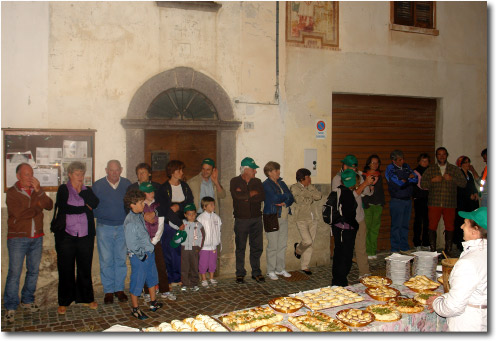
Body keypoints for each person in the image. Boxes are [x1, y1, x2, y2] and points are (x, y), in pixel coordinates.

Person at [3, 163, 53, 323]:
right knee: (15, 273)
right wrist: (38, 206)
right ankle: (10, 306)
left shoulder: (36, 190)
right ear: (18, 176)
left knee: (33, 271)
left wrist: (39, 192)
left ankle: (27, 301)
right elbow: (20, 214)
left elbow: (50, 205)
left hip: (36, 237)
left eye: (31, 174)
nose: (30, 177)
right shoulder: (12, 193)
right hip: (18, 238)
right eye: (26, 174)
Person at [426, 207, 487, 331]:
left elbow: (453, 307)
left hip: (469, 324)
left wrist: (436, 302)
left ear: (475, 231)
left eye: (465, 223)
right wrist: (444, 297)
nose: (461, 227)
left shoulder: (468, 263)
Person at [54, 161, 100, 315]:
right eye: (77, 174)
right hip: (66, 235)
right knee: (66, 268)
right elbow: (64, 207)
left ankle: (86, 298)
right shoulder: (63, 189)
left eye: (82, 173)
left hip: (85, 235)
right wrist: (83, 208)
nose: (80, 177)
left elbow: (95, 203)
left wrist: (83, 193)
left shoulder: (87, 190)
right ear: (69, 174)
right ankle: (64, 301)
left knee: (84, 267)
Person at [92, 160, 132, 304]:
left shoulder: (127, 184)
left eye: (117, 170)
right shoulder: (98, 186)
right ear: (106, 170)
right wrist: (102, 215)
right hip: (104, 227)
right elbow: (92, 206)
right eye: (111, 170)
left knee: (121, 259)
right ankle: (108, 291)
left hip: (122, 227)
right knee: (106, 260)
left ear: (121, 170)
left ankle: (119, 289)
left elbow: (132, 204)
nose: (114, 173)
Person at [123, 189, 163, 320]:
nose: (143, 205)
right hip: (139, 256)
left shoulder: (139, 215)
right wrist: (142, 255)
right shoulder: (130, 221)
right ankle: (135, 309)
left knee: (152, 277)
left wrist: (149, 249)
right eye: (140, 203)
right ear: (132, 205)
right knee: (137, 281)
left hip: (148, 252)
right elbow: (131, 243)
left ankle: (153, 303)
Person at [331, 155, 373, 277]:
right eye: (351, 168)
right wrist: (364, 184)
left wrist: (369, 184)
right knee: (344, 251)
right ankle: (341, 278)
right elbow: (344, 199)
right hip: (345, 222)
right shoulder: (337, 179)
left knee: (361, 248)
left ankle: (364, 273)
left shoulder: (358, 175)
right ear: (344, 166)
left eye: (355, 168)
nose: (354, 170)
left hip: (359, 217)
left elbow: (367, 193)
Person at [421, 147, 467, 255]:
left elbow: (463, 183)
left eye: (443, 154)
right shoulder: (431, 169)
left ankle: (448, 250)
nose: (441, 156)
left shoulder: (454, 169)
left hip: (449, 203)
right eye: (439, 154)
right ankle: (433, 250)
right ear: (436, 156)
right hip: (434, 202)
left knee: (450, 226)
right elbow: (423, 184)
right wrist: (432, 180)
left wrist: (452, 179)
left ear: (447, 155)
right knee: (432, 226)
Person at [155, 160, 194, 286]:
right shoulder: (163, 188)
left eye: (182, 170)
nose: (182, 173)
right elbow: (166, 209)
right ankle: (171, 278)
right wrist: (178, 223)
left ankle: (180, 276)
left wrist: (179, 206)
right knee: (170, 251)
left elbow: (189, 203)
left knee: (181, 252)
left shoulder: (185, 186)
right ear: (172, 172)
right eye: (179, 170)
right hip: (170, 224)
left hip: (183, 221)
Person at [230, 157, 266, 284]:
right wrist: (251, 193)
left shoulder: (258, 181)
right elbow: (236, 196)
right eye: (253, 169)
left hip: (256, 219)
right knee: (240, 247)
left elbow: (262, 197)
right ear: (246, 170)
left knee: (257, 247)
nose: (255, 171)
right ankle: (240, 273)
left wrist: (245, 196)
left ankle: (256, 272)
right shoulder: (234, 181)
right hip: (241, 220)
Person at [139, 182, 176, 301]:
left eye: (152, 191)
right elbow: (139, 225)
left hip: (155, 241)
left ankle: (164, 289)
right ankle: (147, 292)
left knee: (160, 265)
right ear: (142, 194)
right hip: (143, 243)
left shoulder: (158, 206)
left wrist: (154, 241)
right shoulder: (139, 207)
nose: (152, 194)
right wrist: (145, 241)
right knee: (145, 266)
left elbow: (160, 225)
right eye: (149, 192)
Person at [262, 161, 294, 280]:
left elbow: (291, 197)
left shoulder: (281, 182)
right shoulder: (266, 184)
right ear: (269, 172)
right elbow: (273, 198)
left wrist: (285, 201)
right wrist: (286, 196)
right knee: (273, 245)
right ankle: (270, 270)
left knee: (282, 245)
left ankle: (280, 268)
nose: (278, 172)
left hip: (284, 216)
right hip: (272, 216)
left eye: (278, 170)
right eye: (276, 170)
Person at [385, 150, 418, 254]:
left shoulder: (406, 166)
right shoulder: (390, 168)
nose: (402, 161)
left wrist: (405, 179)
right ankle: (395, 248)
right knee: (396, 225)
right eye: (399, 159)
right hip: (397, 200)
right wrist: (408, 178)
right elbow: (397, 182)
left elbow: (415, 179)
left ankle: (404, 246)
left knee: (405, 225)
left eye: (403, 159)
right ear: (394, 160)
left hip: (407, 200)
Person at [331, 169, 359, 287]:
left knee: (338, 253)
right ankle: (341, 282)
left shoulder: (337, 190)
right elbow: (349, 214)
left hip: (337, 227)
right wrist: (355, 225)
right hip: (345, 229)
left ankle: (337, 280)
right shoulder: (347, 194)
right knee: (345, 256)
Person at [291, 168, 322, 275]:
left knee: (311, 243)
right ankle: (298, 250)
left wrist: (307, 194)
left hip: (313, 218)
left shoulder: (311, 186)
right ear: (302, 178)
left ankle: (305, 266)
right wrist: (310, 196)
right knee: (307, 241)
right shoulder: (294, 187)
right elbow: (299, 200)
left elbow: (319, 196)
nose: (310, 179)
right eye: (308, 177)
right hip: (301, 218)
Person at [169, 204, 205, 292]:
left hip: (194, 248)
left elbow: (202, 237)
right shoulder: (183, 224)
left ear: (196, 214)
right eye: (189, 214)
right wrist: (171, 216)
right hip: (184, 248)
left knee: (194, 266)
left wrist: (199, 247)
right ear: (185, 215)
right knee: (184, 267)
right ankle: (185, 283)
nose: (191, 216)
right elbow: (173, 225)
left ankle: (194, 283)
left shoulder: (199, 225)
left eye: (193, 214)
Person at [453, 156, 479, 251]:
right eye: (465, 162)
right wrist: (468, 195)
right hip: (462, 202)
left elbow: (472, 186)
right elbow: (459, 188)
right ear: (461, 164)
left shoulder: (469, 174)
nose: (468, 164)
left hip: (470, 203)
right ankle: (460, 244)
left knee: (471, 222)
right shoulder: (458, 173)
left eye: (468, 162)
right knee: (461, 222)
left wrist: (475, 193)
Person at [362, 155, 385, 259]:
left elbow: (380, 191)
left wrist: (382, 203)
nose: (375, 165)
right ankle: (367, 251)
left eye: (377, 163)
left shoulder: (379, 176)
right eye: (373, 163)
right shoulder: (363, 176)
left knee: (375, 229)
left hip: (378, 205)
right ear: (368, 163)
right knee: (367, 229)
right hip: (368, 205)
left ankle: (373, 251)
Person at [197, 196, 222, 287]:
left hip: (213, 245)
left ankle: (211, 278)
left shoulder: (216, 217)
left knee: (212, 262)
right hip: (204, 246)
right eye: (211, 205)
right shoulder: (201, 218)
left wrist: (219, 242)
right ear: (204, 207)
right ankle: (203, 278)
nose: (213, 206)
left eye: (214, 204)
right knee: (203, 263)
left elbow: (219, 231)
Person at [412, 153, 431, 250]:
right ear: (419, 161)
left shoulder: (430, 171)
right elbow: (420, 185)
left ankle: (426, 242)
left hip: (429, 198)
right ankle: (417, 243)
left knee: (427, 221)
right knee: (418, 221)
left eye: (426, 161)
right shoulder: (415, 171)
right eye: (423, 160)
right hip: (419, 199)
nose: (425, 162)